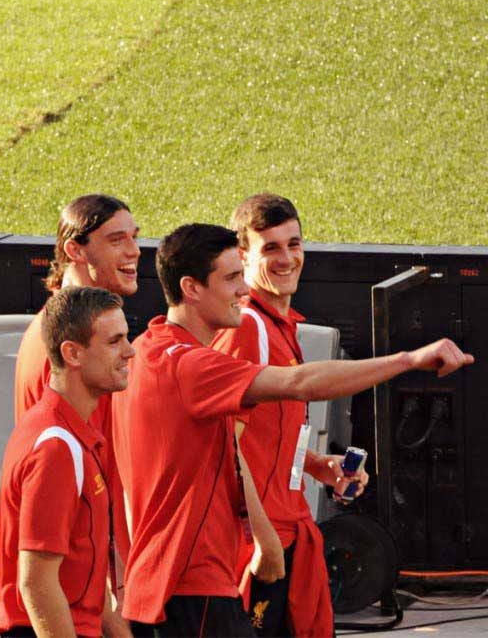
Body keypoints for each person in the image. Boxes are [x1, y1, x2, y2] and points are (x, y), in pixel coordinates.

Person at [111, 223, 472, 637]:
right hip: (194, 583)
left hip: (173, 579)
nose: (243, 290)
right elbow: (298, 384)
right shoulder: (196, 361)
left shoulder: (146, 350)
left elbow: (222, 450)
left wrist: (312, 464)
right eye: (231, 278)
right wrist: (408, 360)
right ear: (191, 288)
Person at [212, 193, 353, 636]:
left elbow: (263, 433)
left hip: (287, 530)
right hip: (260, 543)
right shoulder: (247, 327)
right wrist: (261, 539)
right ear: (242, 256)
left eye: (294, 244)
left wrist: (315, 466)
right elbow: (222, 442)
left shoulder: (279, 325)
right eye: (270, 247)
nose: (287, 258)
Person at [0, 286, 135, 638]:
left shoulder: (69, 432)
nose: (130, 351)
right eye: (114, 341)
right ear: (72, 353)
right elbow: (37, 583)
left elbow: (78, 572)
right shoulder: (56, 446)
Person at [14, 193, 140, 424]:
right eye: (117, 240)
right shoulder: (72, 337)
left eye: (134, 237)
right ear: (76, 250)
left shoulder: (56, 324)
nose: (135, 251)